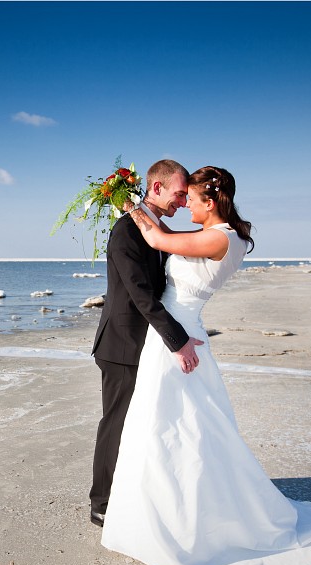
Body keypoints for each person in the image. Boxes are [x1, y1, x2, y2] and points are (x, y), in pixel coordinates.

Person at [100, 166, 311, 565]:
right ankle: (153, 504)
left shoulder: (219, 236)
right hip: (177, 333)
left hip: (178, 338)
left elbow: (157, 240)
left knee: (175, 425)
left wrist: (124, 202)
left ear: (211, 200)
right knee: (169, 425)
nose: (186, 205)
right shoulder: (224, 235)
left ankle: (177, 514)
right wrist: (128, 200)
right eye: (181, 196)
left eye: (192, 198)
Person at [89, 159, 205, 528]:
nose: (184, 202)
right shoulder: (126, 232)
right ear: (156, 188)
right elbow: (141, 295)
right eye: (179, 194)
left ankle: (137, 492)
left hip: (148, 346)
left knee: (146, 423)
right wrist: (178, 339)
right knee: (117, 422)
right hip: (122, 345)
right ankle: (101, 502)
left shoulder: (151, 225)